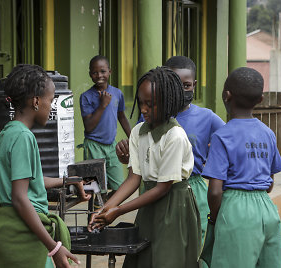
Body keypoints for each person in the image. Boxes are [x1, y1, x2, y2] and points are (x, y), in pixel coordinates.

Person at [89, 67, 201, 268]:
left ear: (168, 102)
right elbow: (133, 178)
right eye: (141, 102)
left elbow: (163, 187)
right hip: (148, 204)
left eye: (150, 104)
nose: (143, 109)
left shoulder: (175, 136)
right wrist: (105, 209)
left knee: (168, 258)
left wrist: (119, 210)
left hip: (173, 205)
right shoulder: (138, 132)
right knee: (143, 258)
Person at [0, 64, 90, 268]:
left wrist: (66, 181)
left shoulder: (7, 132)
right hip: (23, 235)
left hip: (9, 230)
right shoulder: (23, 137)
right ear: (36, 101)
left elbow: (30, 181)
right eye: (51, 101)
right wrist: (53, 247)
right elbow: (20, 197)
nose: (51, 107)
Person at [116, 56, 225, 242]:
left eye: (187, 85)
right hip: (152, 188)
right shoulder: (149, 117)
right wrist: (127, 157)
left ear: (194, 84)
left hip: (191, 186)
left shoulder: (207, 117)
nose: (180, 90)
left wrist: (215, 160)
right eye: (174, 84)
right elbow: (145, 153)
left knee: (193, 242)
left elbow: (229, 142)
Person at [201, 67, 281, 268]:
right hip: (268, 210)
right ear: (261, 100)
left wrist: (215, 217)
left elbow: (214, 191)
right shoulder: (268, 134)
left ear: (226, 96)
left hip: (236, 211)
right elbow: (270, 183)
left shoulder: (222, 136)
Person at [80, 55, 131, 196]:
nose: (99, 75)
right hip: (93, 146)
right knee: (96, 189)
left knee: (120, 187)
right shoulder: (86, 97)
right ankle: (96, 214)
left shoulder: (117, 93)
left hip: (111, 146)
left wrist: (133, 138)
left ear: (110, 72)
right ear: (90, 75)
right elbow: (89, 127)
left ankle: (104, 208)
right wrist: (102, 105)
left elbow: (122, 117)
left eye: (103, 71)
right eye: (95, 72)